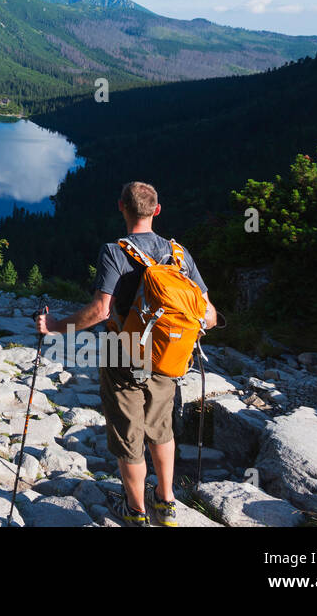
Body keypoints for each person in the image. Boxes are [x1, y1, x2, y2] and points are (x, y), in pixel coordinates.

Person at [36, 181, 216, 527]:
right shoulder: (178, 254)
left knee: (128, 435)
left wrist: (56, 326)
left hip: (124, 356)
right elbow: (208, 314)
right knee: (161, 429)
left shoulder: (115, 251)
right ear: (157, 210)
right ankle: (166, 504)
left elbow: (100, 312)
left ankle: (135, 512)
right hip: (168, 357)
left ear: (122, 207)